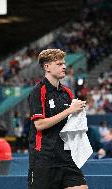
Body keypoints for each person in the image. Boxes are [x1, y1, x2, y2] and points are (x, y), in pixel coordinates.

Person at [27, 49, 87, 189]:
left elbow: (70, 122)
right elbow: (40, 125)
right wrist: (69, 110)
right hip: (44, 158)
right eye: (59, 64)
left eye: (64, 63)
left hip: (66, 156)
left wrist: (78, 113)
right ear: (47, 67)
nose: (64, 67)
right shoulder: (38, 91)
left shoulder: (68, 93)